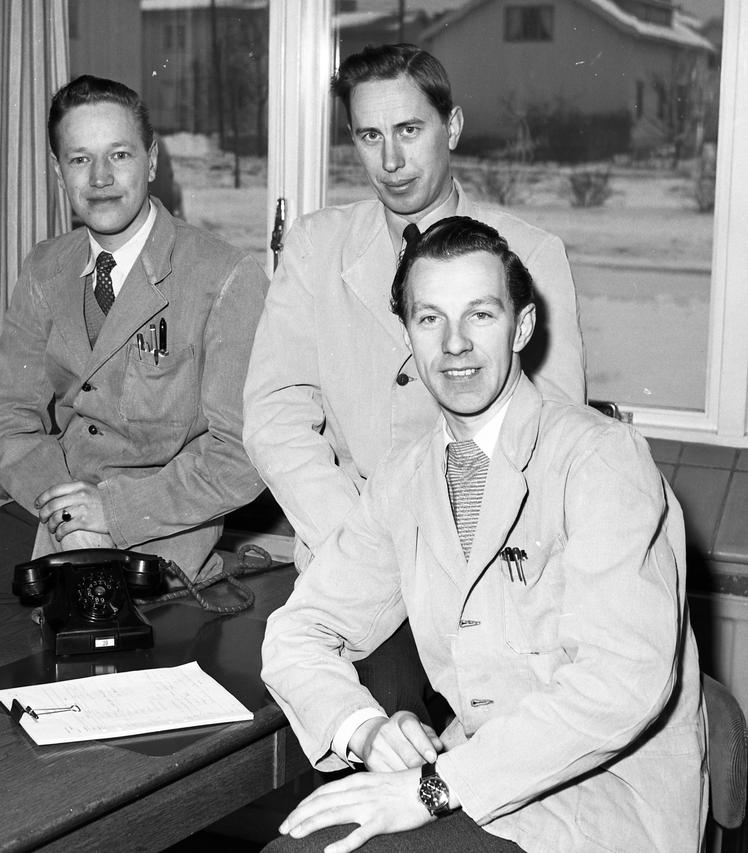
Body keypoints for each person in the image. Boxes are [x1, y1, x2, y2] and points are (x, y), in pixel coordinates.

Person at [244, 217, 705, 853]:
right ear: (407, 334)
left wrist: (433, 788)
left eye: (480, 315)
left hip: (605, 824)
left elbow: (621, 684)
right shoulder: (405, 479)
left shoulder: (600, 459)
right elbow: (296, 633)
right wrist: (363, 728)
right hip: (485, 796)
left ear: (522, 327)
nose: (454, 344)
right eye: (430, 318)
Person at [0, 75, 268, 617]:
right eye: (80, 159)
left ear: (150, 162)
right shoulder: (45, 267)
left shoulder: (225, 276)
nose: (100, 178)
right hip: (52, 505)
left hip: (159, 527)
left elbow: (240, 458)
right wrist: (69, 513)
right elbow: (5, 417)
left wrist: (110, 513)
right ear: (59, 173)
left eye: (119, 155)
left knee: (72, 644)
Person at [243, 44, 586, 575]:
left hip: (484, 563)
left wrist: (452, 559)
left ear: (452, 128)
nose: (391, 161)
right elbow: (274, 417)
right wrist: (359, 547)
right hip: (343, 554)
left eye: (409, 130)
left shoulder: (532, 254)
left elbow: (553, 436)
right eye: (370, 136)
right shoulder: (315, 246)